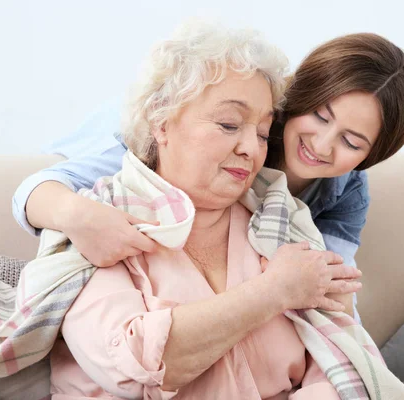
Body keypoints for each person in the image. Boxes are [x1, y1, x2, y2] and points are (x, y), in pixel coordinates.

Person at [12, 29, 404, 323]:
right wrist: (81, 217)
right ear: (301, 96)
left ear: (373, 154)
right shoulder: (191, 136)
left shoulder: (347, 191)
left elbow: (333, 289)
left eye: (351, 141)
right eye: (320, 116)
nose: (323, 145)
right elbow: (36, 190)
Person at [45, 21, 360, 399]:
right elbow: (131, 368)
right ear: (161, 121)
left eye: (262, 133)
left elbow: (339, 363)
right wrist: (274, 291)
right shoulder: (98, 221)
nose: (250, 148)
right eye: (229, 124)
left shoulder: (285, 221)